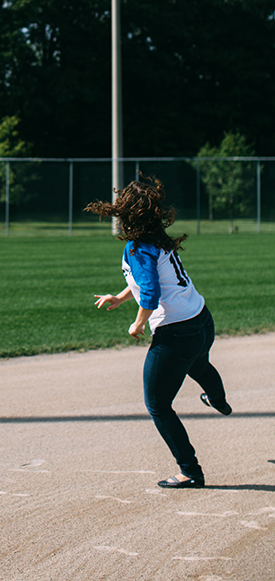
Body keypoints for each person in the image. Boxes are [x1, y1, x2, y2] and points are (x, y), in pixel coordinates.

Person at [89, 176, 232, 489]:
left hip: (176, 333)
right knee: (199, 365)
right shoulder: (158, 239)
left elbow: (151, 293)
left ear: (126, 216)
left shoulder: (138, 248)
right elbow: (148, 281)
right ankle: (219, 399)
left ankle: (189, 471)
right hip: (201, 320)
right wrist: (120, 296)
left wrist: (138, 323)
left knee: (157, 404)